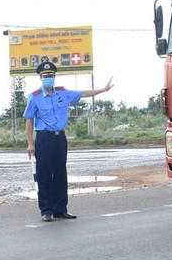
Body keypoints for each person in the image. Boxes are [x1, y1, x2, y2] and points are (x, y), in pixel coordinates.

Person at [24, 61, 114, 222]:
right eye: (45, 76)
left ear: (55, 76)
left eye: (51, 75)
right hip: (44, 138)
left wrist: (102, 90)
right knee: (44, 174)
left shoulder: (62, 93)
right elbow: (29, 121)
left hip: (60, 138)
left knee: (60, 173)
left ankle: (60, 209)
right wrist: (30, 143)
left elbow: (84, 93)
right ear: (40, 78)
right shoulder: (35, 97)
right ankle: (46, 210)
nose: (48, 78)